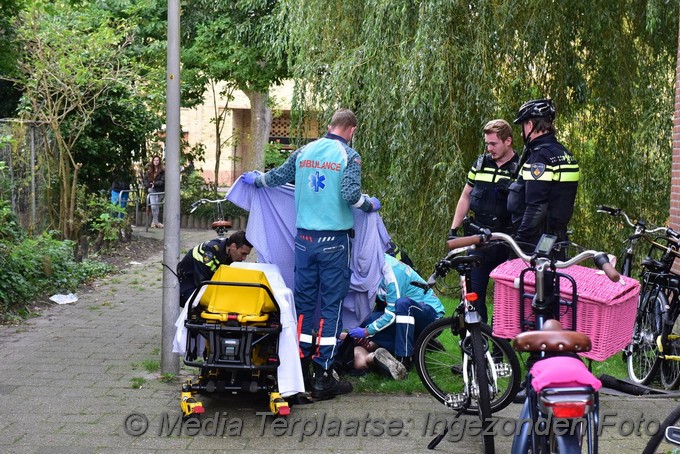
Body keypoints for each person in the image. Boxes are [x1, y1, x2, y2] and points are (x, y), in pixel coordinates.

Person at [240, 108, 381, 401]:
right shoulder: (349, 157)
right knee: (331, 307)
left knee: (303, 304)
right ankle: (323, 376)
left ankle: (298, 369)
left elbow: (277, 178)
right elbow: (351, 196)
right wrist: (370, 204)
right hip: (334, 243)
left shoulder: (305, 151)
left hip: (303, 240)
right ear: (351, 130)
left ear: (330, 125)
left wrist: (256, 181)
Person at [447, 119, 519, 323]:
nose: (489, 148)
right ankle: (479, 346)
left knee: (505, 300)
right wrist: (454, 229)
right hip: (478, 240)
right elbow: (465, 196)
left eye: (494, 143)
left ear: (508, 141)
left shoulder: (520, 167)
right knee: (473, 295)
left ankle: (499, 349)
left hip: (506, 242)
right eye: (487, 143)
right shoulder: (480, 164)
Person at [348, 253, 446, 372]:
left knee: (403, 304)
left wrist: (367, 331)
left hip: (430, 316)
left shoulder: (391, 271)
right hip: (404, 317)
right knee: (365, 321)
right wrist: (363, 328)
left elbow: (392, 313)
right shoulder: (371, 267)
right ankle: (418, 344)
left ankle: (404, 359)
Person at [507, 99, 580, 250]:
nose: (522, 131)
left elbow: (537, 207)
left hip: (535, 241)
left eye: (523, 125)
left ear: (530, 125)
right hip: (556, 239)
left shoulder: (540, 157)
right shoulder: (564, 153)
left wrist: (519, 243)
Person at [177, 230, 253, 307]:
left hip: (206, 286)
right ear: (233, 246)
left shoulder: (230, 254)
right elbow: (202, 283)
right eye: (243, 253)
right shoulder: (208, 251)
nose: (244, 258)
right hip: (187, 288)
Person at [144, 155, 165, 228]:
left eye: (157, 160)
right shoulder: (149, 171)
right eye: (154, 160)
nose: (156, 162)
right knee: (153, 206)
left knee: (156, 206)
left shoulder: (162, 171)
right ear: (152, 161)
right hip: (152, 190)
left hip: (159, 190)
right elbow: (145, 180)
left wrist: (155, 184)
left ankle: (154, 222)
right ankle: (156, 222)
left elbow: (163, 181)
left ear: (159, 162)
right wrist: (149, 185)